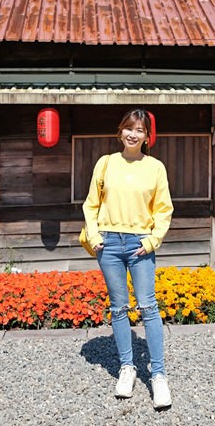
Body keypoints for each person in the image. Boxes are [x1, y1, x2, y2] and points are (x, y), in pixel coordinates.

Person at [83, 108, 174, 410]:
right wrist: (95, 238)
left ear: (148, 136)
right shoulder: (106, 163)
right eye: (129, 128)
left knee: (148, 307)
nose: (133, 134)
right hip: (108, 243)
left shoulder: (155, 167)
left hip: (140, 244)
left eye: (140, 130)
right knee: (119, 308)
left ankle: (158, 375)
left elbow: (163, 209)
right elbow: (91, 204)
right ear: (120, 131)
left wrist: (151, 240)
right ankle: (127, 368)